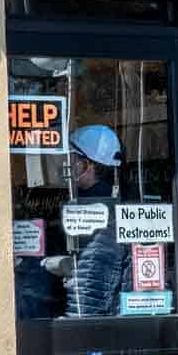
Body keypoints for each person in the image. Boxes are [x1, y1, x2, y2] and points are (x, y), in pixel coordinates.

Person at [57, 124, 127, 318]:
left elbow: (91, 280)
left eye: (73, 159)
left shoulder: (99, 212)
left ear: (87, 166)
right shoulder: (108, 204)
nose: (67, 164)